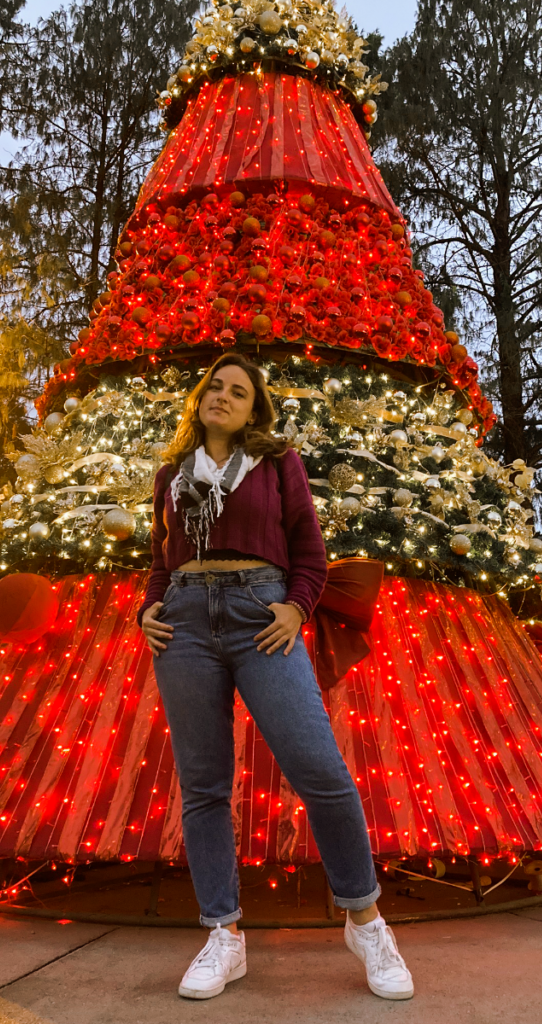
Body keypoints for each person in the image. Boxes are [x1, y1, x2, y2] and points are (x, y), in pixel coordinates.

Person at [137, 352, 414, 1002]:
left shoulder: (275, 464)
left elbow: (310, 551)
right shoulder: (170, 475)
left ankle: (365, 920)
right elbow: (158, 556)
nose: (223, 396)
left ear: (253, 408)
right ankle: (224, 935)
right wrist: (146, 609)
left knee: (319, 770)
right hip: (182, 625)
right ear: (200, 399)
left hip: (259, 615)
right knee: (203, 786)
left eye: (238, 391)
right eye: (215, 387)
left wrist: (295, 606)